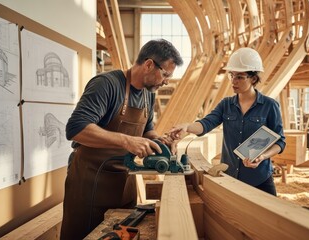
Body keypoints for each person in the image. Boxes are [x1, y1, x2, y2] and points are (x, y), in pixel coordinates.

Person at [60, 39, 183, 239]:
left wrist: (160, 141)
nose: (167, 81)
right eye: (166, 74)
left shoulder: (147, 94)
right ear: (149, 64)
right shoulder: (106, 85)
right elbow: (76, 128)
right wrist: (127, 141)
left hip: (124, 182)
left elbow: (147, 130)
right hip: (91, 181)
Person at [168, 47, 285, 196]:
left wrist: (262, 156)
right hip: (230, 178)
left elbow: (280, 142)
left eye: (240, 77)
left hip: (259, 179)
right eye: (232, 75)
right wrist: (188, 127)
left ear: (253, 79)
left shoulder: (269, 106)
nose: (234, 81)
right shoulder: (226, 104)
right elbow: (206, 124)